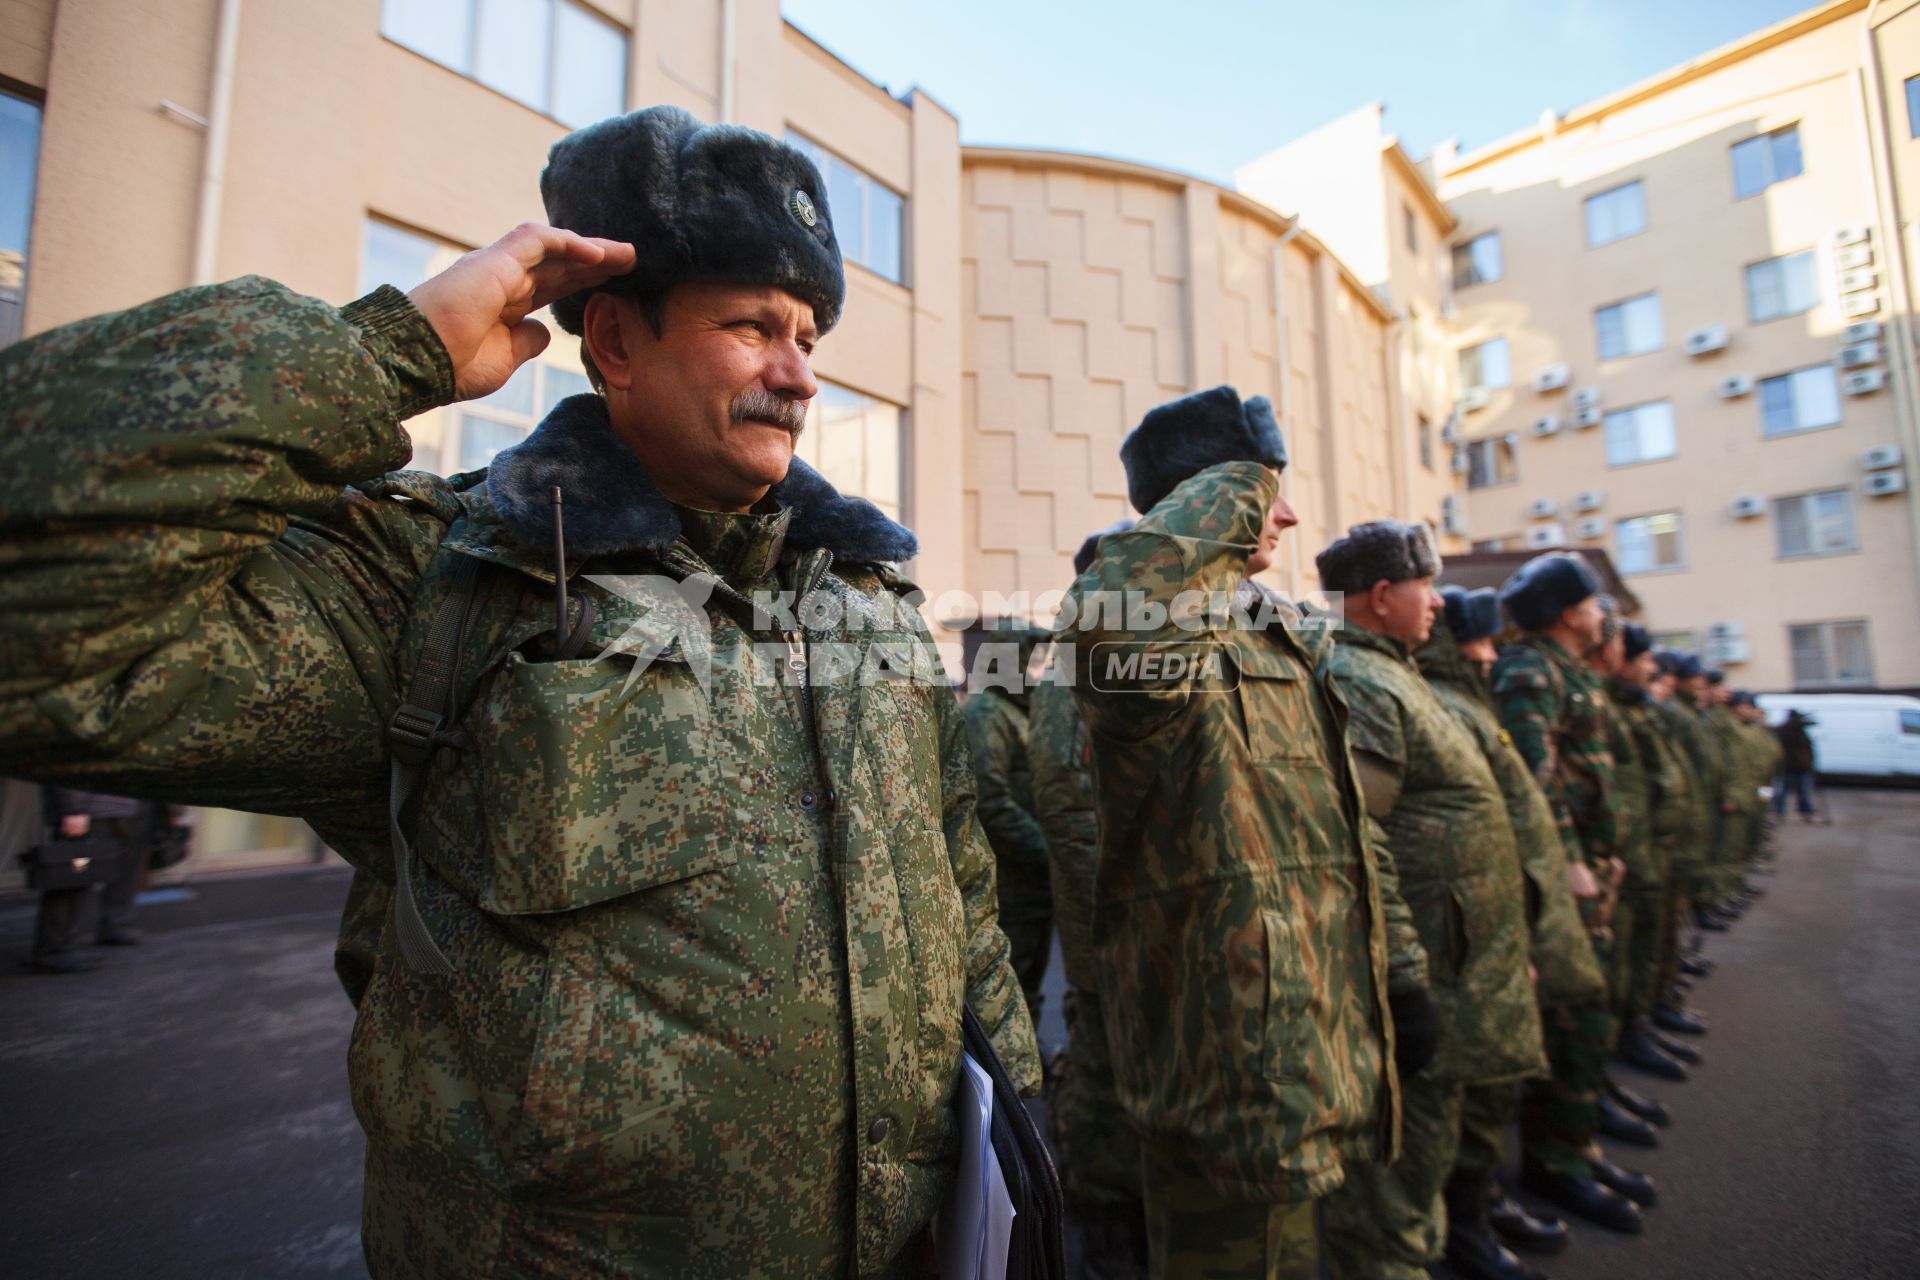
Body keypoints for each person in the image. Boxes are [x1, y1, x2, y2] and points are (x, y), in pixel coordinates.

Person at [0, 105, 1038, 1276]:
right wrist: (390, 353)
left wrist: (1021, 1151)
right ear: (614, 342)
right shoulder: (442, 582)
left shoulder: (863, 603)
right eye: (753, 326)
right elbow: (37, 613)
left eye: (808, 336)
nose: (799, 376)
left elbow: (963, 901)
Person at [1064, 386, 1431, 1280]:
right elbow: (1113, 610)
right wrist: (1238, 482)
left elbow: (1346, 826)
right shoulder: (1146, 636)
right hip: (1226, 1062)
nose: (1291, 515)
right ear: (1209, 499)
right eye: (1270, 490)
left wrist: (1404, 975)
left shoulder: (1286, 636)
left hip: (1325, 1032)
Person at [1313, 526, 1544, 1280]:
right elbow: (1359, 838)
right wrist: (1404, 978)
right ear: (1382, 596)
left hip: (1456, 960)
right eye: (1426, 584)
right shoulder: (1364, 681)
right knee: (1397, 1184)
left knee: (1432, 1155)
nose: (1439, 600)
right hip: (1424, 969)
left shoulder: (1398, 674)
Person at [1418, 587, 1608, 1268]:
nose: (1492, 653)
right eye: (1482, 641)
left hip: (1498, 922)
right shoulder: (1436, 705)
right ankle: (1464, 1219)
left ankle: (1481, 1205)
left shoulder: (1473, 703)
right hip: (1462, 936)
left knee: (1493, 1077)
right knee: (1463, 1085)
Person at [1491, 553, 1651, 1234]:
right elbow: (1534, 778)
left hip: (1590, 869)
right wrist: (1571, 863)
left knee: (1589, 1013)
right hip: (1565, 879)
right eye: (1592, 603)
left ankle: (1577, 1146)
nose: (1601, 615)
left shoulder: (1565, 672)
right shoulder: (1529, 671)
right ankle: (1556, 1162)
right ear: (1567, 612)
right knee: (1574, 1015)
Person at [1033, 519, 1147, 1280]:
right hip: (1112, 927)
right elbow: (1076, 818)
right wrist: (1108, 933)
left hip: (1135, 922)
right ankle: (1100, 1218)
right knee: (1104, 1069)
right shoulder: (1080, 669)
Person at [965, 616, 1056, 1023]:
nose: (1037, 669)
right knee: (1005, 1002)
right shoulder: (988, 712)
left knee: (1029, 992)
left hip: (1033, 885)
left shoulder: (1024, 710)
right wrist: (1049, 853)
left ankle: (1030, 1080)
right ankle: (1012, 1086)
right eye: (1029, 659)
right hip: (1008, 888)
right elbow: (991, 800)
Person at [28, 786, 156, 973]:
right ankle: (54, 951)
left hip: (113, 809)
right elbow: (71, 767)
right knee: (71, 880)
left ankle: (66, 946)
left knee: (85, 878)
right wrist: (73, 809)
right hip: (90, 812)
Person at [1774, 710, 1821, 821]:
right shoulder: (1784, 731)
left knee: (1804, 793)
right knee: (1780, 792)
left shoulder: (1801, 733)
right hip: (1786, 768)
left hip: (1802, 769)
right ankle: (1779, 812)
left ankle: (1806, 812)